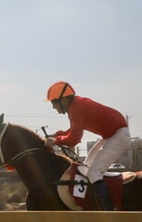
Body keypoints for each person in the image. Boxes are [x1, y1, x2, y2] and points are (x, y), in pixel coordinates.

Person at [45, 81, 130, 211]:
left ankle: (108, 209)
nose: (53, 107)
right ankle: (95, 202)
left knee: (93, 172)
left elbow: (74, 139)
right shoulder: (76, 105)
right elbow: (73, 130)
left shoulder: (77, 109)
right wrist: (56, 135)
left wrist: (55, 141)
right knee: (86, 168)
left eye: (54, 103)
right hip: (112, 135)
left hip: (118, 136)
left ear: (63, 101)